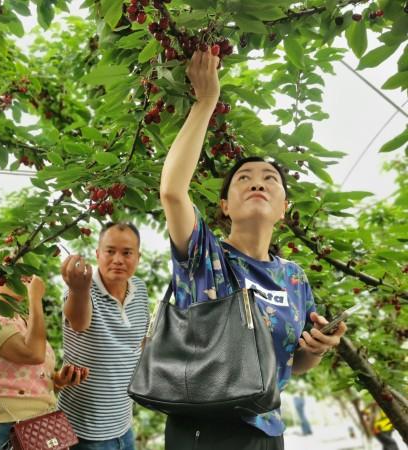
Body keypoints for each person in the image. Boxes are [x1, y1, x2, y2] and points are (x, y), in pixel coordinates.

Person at [159, 49, 347, 449]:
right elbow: (173, 192)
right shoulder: (206, 257)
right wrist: (205, 102)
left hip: (268, 432)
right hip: (204, 428)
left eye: (269, 180)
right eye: (243, 178)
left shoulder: (294, 277)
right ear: (224, 205)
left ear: (283, 208)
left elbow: (291, 365)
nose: (257, 183)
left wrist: (318, 349)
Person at [0, 275, 89, 450]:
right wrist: (35, 299)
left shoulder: (19, 318)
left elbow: (30, 379)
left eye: (26, 274)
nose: (26, 279)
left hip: (44, 424)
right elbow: (33, 355)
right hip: (7, 428)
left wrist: (58, 380)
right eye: (17, 273)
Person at [58, 223, 149, 450]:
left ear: (138, 257)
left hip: (124, 427)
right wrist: (79, 290)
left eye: (127, 253)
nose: (118, 259)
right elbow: (79, 322)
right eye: (110, 251)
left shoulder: (140, 289)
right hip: (83, 433)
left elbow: (138, 343)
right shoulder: (82, 291)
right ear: (98, 254)